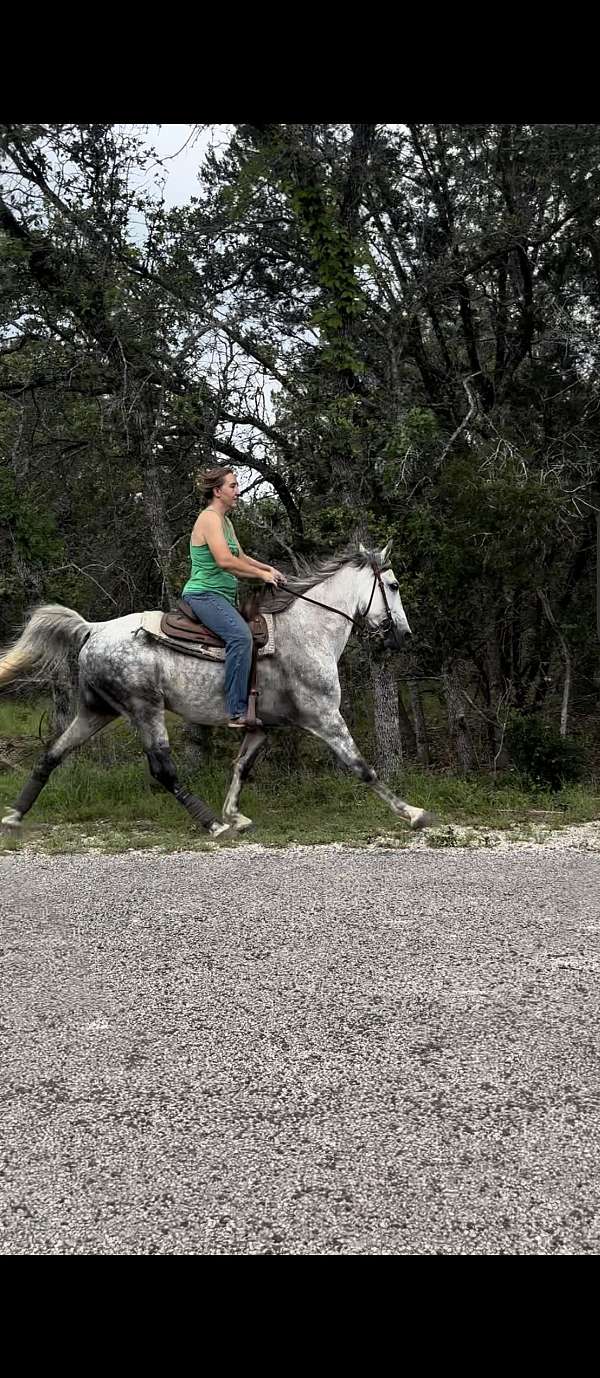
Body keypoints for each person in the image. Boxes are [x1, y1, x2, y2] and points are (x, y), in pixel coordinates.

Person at [182, 466, 287, 728]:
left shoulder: (225, 521)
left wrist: (267, 568)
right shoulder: (209, 519)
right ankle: (236, 711)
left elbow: (240, 557)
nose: (237, 491)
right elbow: (225, 561)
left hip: (222, 597)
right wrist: (261, 576)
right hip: (204, 594)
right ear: (218, 491)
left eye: (236, 485)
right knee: (240, 637)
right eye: (233, 486)